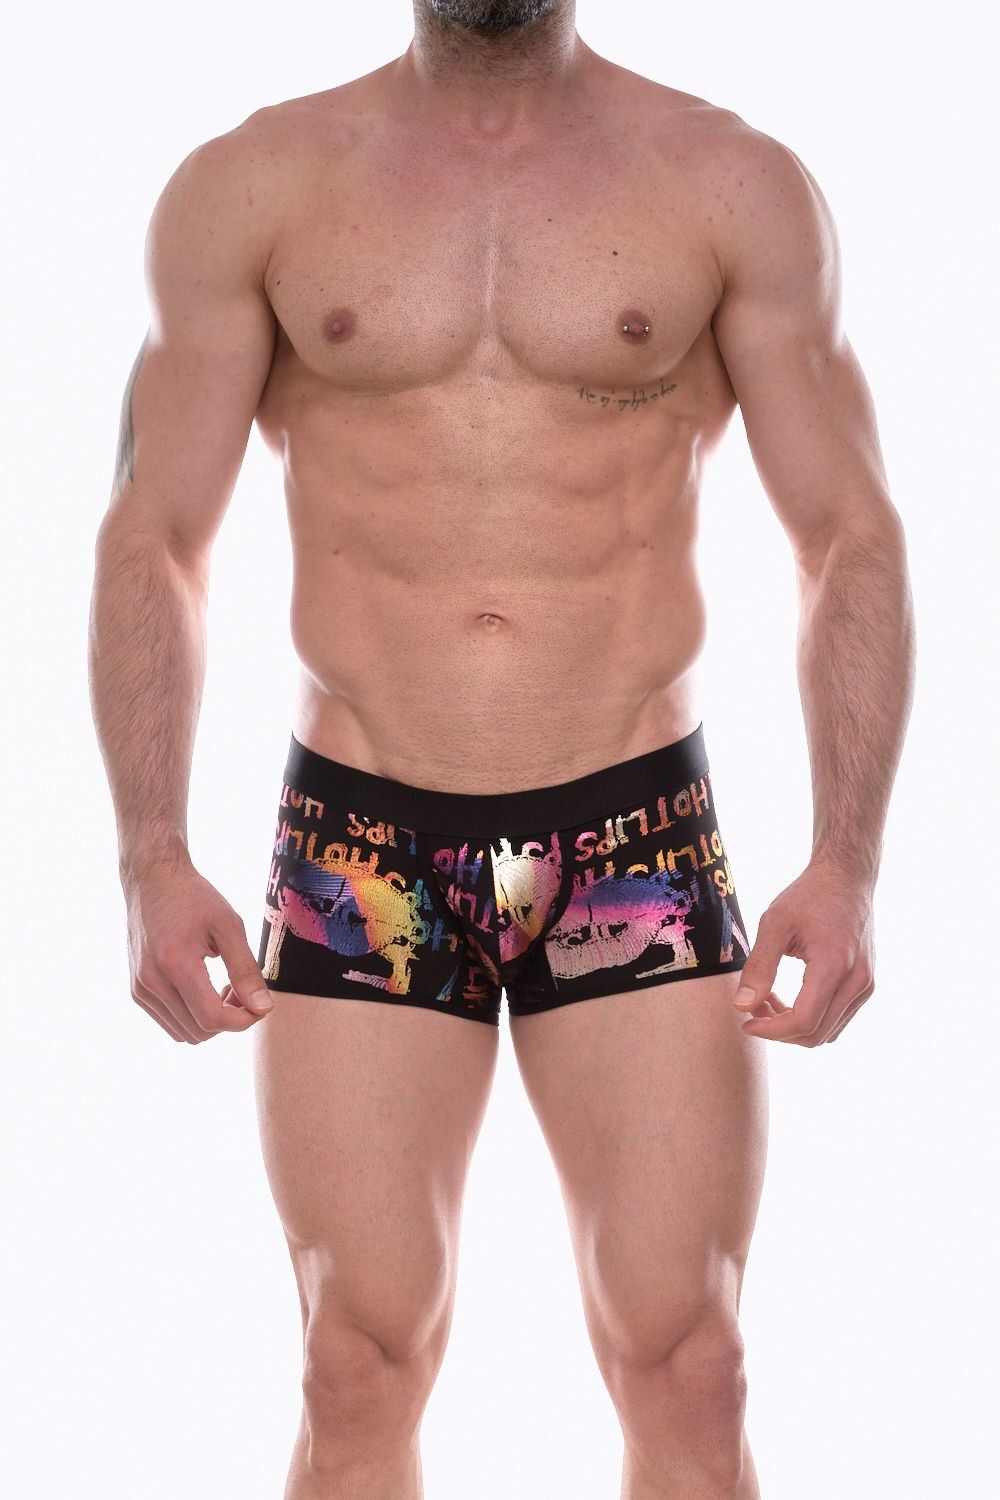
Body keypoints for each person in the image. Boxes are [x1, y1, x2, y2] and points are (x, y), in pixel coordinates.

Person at [88, 2, 915, 1495]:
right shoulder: (257, 184)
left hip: (634, 840)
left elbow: (848, 534)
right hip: (365, 848)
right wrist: (149, 852)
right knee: (355, 1358)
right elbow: (154, 537)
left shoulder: (726, 182)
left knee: (692, 1362)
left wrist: (848, 858)